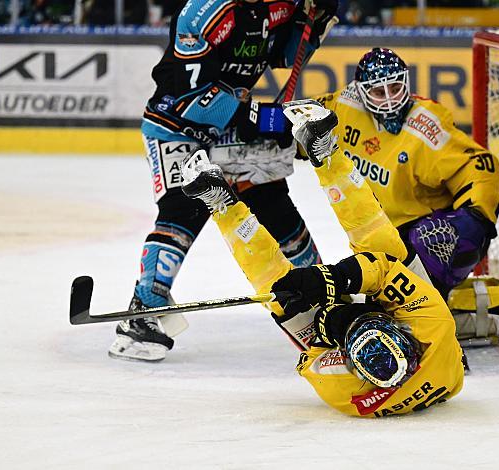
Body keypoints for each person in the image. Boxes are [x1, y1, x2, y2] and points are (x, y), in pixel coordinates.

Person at [180, 99, 465, 417]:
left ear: (353, 367)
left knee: (279, 293)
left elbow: (310, 357)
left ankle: (223, 206)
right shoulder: (434, 330)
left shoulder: (342, 387)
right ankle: (327, 152)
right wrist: (331, 280)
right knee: (384, 247)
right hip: (413, 326)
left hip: (342, 338)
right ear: (404, 336)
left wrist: (330, 322)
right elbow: (382, 270)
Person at [109, 0, 338, 362]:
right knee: (184, 208)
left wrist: (315, 21)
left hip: (230, 124)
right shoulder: (203, 12)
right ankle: (143, 311)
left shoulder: (279, 5)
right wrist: (270, 121)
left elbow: (283, 54)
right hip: (177, 122)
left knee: (274, 206)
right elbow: (193, 97)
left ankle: (323, 293)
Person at [314, 47, 499, 301]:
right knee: (379, 288)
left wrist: (473, 222)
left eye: (395, 88)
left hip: (427, 231)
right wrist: (262, 121)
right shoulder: (346, 108)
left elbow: (482, 168)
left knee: (423, 248)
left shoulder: (426, 125)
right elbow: (303, 118)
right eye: (379, 92)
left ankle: (434, 298)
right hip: (383, 234)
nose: (390, 99)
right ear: (361, 92)